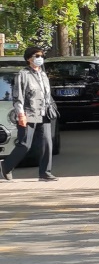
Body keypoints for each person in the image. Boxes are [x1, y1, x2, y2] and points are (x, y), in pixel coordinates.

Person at [1, 44, 57, 182]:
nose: (40, 58)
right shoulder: (23, 74)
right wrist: (21, 114)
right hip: (28, 113)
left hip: (44, 113)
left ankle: (45, 172)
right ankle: (6, 166)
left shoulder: (43, 74)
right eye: (37, 56)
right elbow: (18, 96)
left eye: (42, 56)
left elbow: (46, 94)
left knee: (47, 143)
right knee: (25, 144)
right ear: (28, 59)